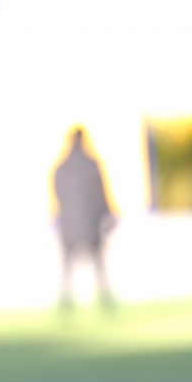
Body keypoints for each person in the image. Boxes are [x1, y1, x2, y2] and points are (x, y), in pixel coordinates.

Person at [53, 127, 115, 309]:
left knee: (70, 265)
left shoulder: (62, 168)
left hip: (71, 226)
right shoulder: (91, 166)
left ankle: (69, 298)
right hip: (88, 225)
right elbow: (100, 195)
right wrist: (106, 214)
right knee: (96, 263)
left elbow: (58, 195)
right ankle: (101, 296)